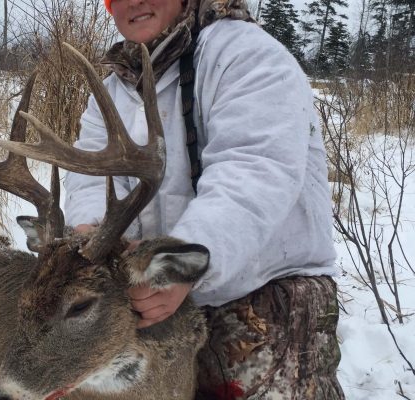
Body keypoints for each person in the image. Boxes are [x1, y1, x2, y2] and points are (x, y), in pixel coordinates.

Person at [64, 0, 345, 398]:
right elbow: (92, 174)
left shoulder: (245, 54)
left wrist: (180, 265)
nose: (135, 2)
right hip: (155, 295)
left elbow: (253, 170)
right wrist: (90, 233)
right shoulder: (114, 87)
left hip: (262, 297)